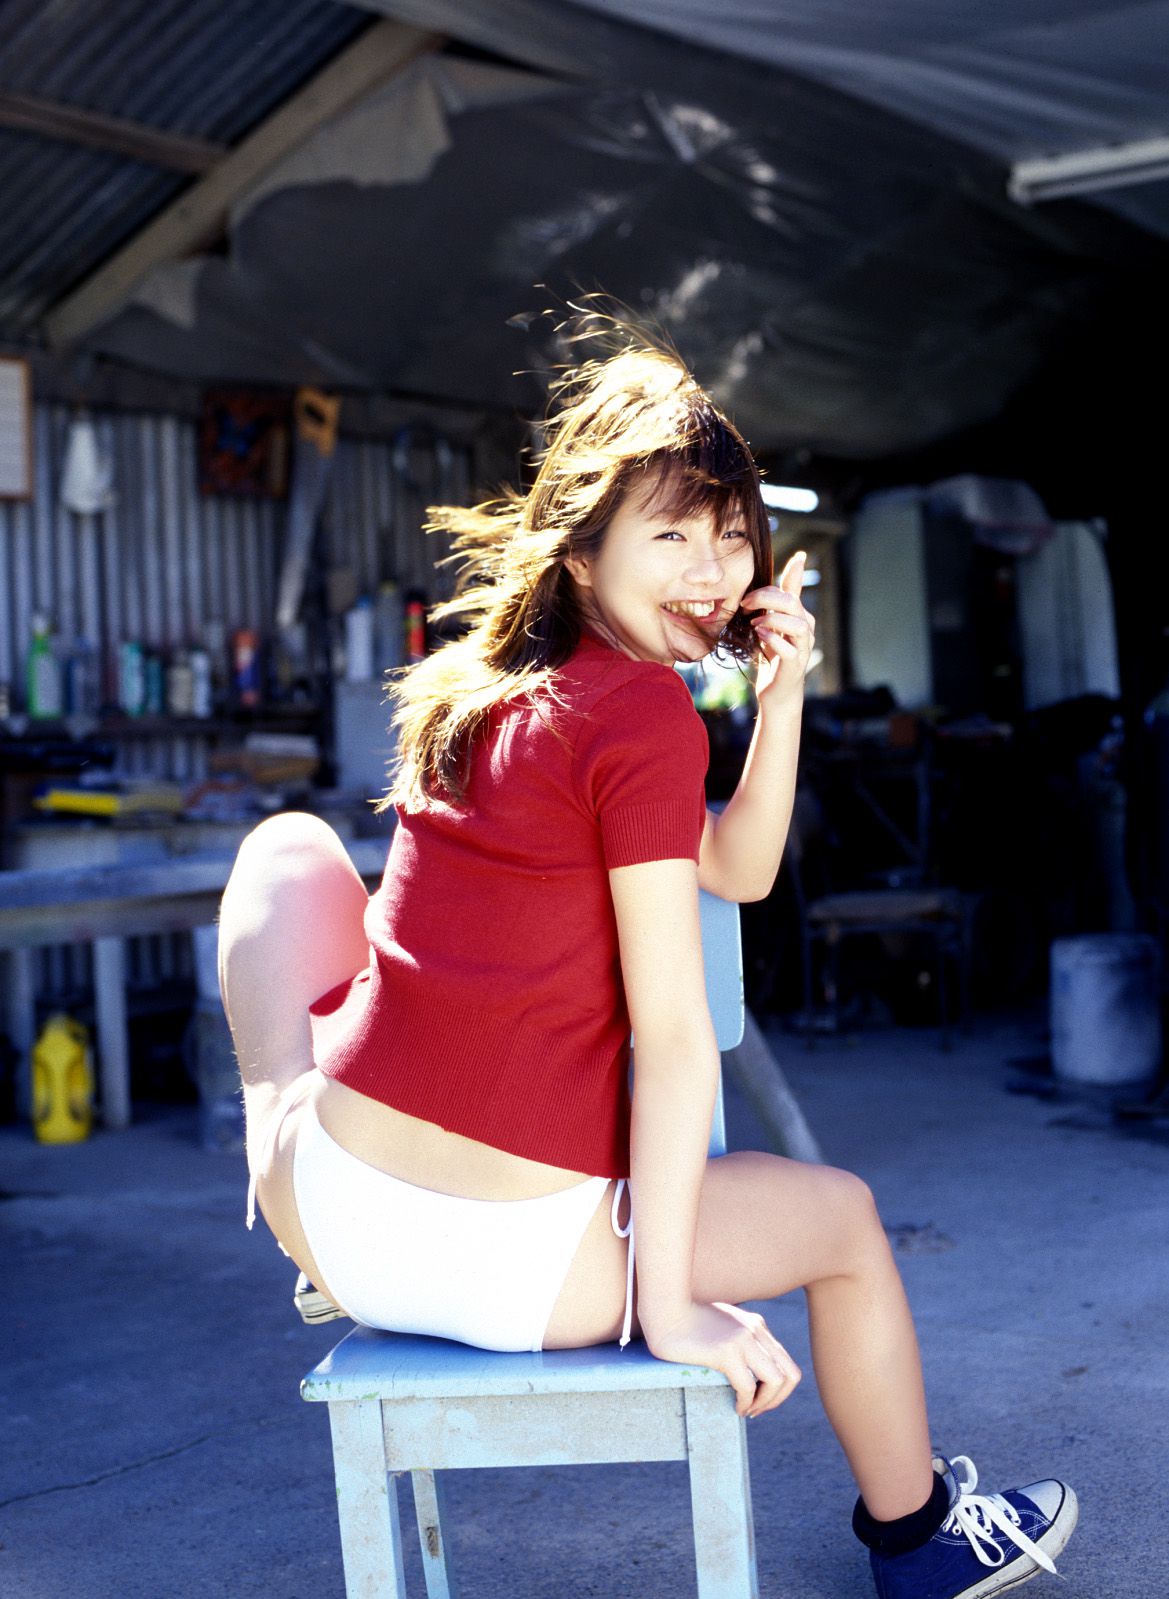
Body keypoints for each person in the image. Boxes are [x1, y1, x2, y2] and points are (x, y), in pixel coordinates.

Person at [218, 324, 1077, 1597]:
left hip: (342, 1219)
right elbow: (671, 1042)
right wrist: (665, 1303)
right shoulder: (640, 713)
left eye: (729, 534)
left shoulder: (488, 694)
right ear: (580, 551)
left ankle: (270, 1159)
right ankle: (917, 1543)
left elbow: (736, 866)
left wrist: (780, 699)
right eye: (669, 533)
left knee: (288, 853)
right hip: (521, 1268)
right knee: (843, 1222)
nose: (712, 568)